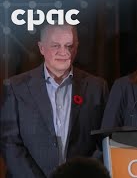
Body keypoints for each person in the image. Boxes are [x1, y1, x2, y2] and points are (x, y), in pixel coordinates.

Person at [0, 23, 109, 178]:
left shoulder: (97, 87)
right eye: (55, 46)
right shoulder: (16, 88)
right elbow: (9, 143)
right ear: (41, 48)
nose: (63, 52)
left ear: (76, 48)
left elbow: (103, 142)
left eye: (69, 46)